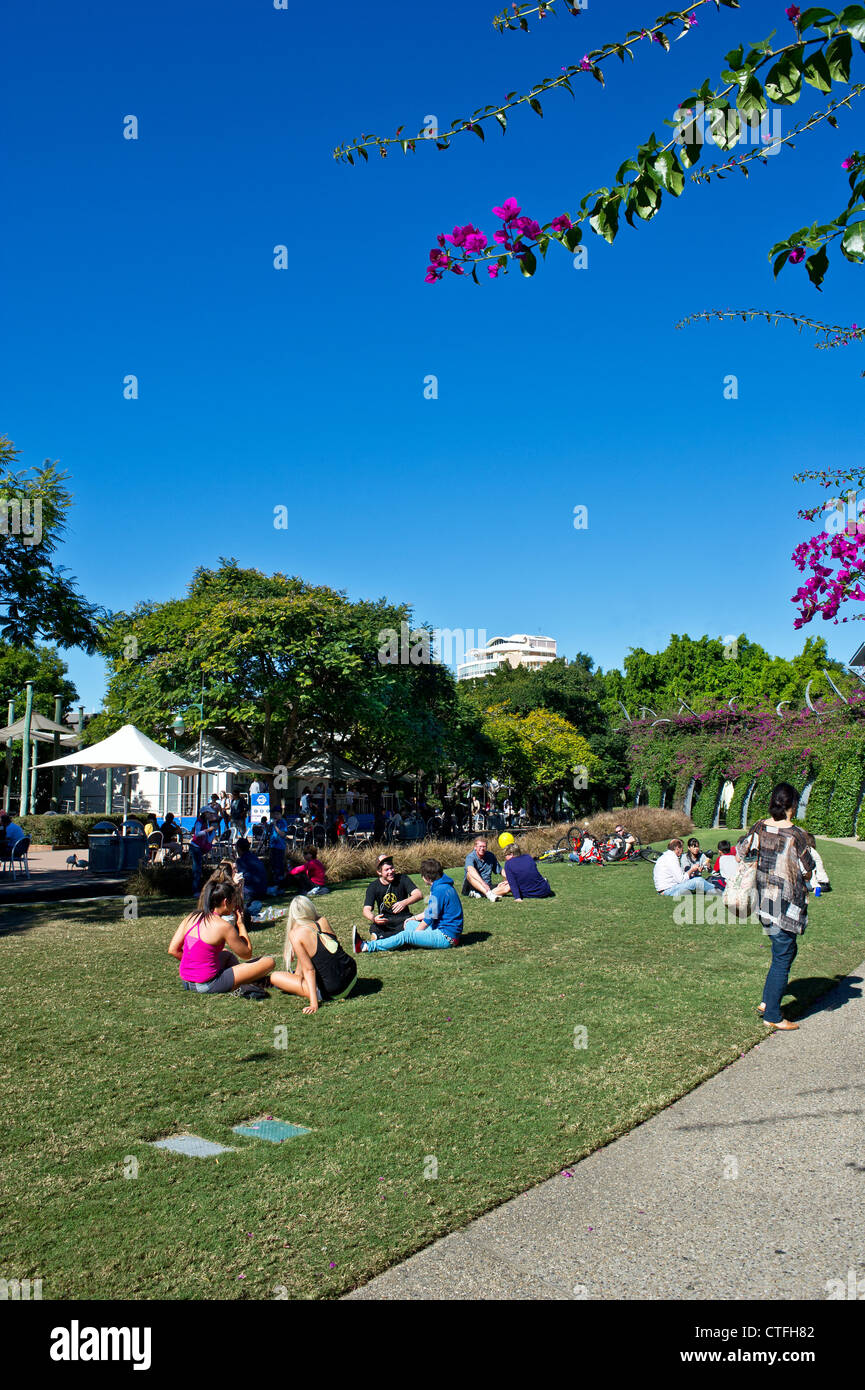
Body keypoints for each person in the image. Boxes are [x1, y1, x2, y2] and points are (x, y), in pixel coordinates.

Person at [738, 783, 814, 1031]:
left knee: (784, 951)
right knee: (783, 954)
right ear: (792, 805)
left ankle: (767, 1000)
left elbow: (742, 849)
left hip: (764, 899)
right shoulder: (796, 835)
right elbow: (808, 868)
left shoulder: (760, 826)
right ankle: (772, 1013)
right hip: (786, 903)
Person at [168, 878, 274, 994]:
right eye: (234, 901)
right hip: (208, 984)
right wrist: (240, 924)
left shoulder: (192, 917)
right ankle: (242, 985)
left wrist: (195, 966)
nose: (234, 905)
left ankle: (244, 981)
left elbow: (173, 950)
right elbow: (247, 953)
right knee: (269, 962)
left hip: (187, 982)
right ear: (225, 902)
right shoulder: (223, 926)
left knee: (227, 955)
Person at [353, 858, 463, 953]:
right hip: (439, 929)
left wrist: (415, 935)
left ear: (427, 878)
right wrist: (413, 918)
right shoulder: (442, 885)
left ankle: (365, 946)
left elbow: (429, 918)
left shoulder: (439, 890)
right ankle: (390, 940)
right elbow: (431, 911)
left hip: (447, 937)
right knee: (409, 924)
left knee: (406, 935)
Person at [269, 896, 357, 1012]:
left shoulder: (295, 935)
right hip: (351, 974)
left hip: (336, 990)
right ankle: (297, 976)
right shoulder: (322, 921)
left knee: (275, 977)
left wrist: (313, 1004)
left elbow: (310, 970)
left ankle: (297, 978)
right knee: (307, 954)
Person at [362, 855, 423, 938]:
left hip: (404, 919)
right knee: (374, 928)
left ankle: (382, 937)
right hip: (386, 921)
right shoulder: (373, 886)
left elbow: (418, 894)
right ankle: (400, 936)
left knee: (411, 924)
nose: (390, 872)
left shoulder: (403, 879)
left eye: (392, 868)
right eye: (387, 870)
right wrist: (374, 918)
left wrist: (404, 902)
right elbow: (366, 909)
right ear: (379, 872)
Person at [653, 839, 721, 897]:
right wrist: (692, 870)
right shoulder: (672, 858)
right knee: (698, 880)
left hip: (664, 889)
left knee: (698, 881)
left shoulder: (664, 857)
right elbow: (681, 880)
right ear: (677, 848)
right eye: (681, 848)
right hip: (668, 890)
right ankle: (721, 891)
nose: (682, 850)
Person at [462, 837, 510, 901]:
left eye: (484, 847)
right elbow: (470, 869)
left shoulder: (490, 856)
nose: (482, 849)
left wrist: (509, 879)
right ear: (475, 847)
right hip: (471, 886)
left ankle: (482, 894)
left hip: (488, 886)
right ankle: (488, 894)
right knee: (469, 874)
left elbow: (500, 870)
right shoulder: (470, 857)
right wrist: (483, 883)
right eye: (480, 846)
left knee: (509, 886)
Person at [234, 837, 269, 904]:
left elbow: (237, 879)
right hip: (263, 891)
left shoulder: (241, 861)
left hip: (250, 893)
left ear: (238, 848)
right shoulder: (254, 858)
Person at [188, 808, 215, 894]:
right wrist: (208, 830)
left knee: (198, 869)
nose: (210, 815)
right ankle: (195, 890)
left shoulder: (205, 823)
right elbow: (197, 834)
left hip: (199, 847)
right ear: (205, 813)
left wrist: (213, 832)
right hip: (195, 847)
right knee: (197, 869)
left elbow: (207, 838)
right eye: (209, 813)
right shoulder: (199, 822)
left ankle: (197, 889)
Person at [269, 811, 290, 886]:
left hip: (279, 847)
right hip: (272, 846)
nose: (275, 815)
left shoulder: (283, 822)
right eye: (274, 814)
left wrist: (275, 826)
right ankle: (274, 882)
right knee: (273, 865)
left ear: (281, 815)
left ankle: (280, 883)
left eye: (277, 814)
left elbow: (282, 834)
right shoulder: (273, 823)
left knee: (279, 866)